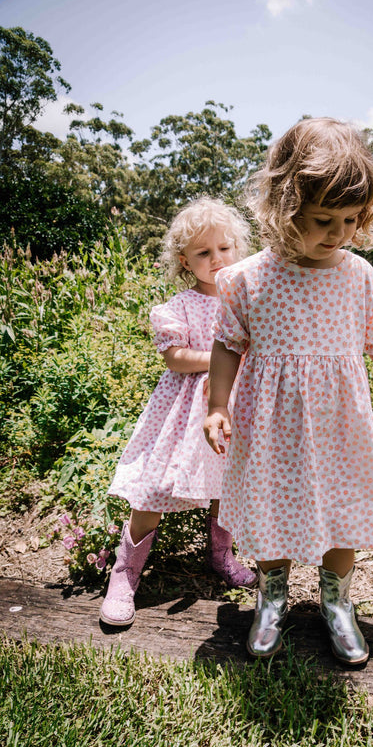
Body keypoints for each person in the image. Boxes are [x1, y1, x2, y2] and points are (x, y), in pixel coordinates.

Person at [203, 118, 373, 663]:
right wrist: (216, 404)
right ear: (286, 209)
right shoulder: (250, 279)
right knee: (272, 513)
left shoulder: (360, 278)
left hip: (339, 427)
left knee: (342, 510)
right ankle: (271, 597)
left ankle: (337, 602)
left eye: (351, 219)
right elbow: (229, 344)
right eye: (323, 219)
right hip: (272, 428)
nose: (339, 232)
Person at [100, 197, 257, 627]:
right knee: (154, 487)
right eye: (203, 253)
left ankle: (222, 556)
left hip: (231, 404)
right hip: (183, 411)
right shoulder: (180, 306)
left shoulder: (246, 300)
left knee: (226, 483)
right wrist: (221, 357)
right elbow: (175, 358)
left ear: (238, 249)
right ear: (185, 261)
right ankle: (125, 573)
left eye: (224, 248)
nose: (216, 259)